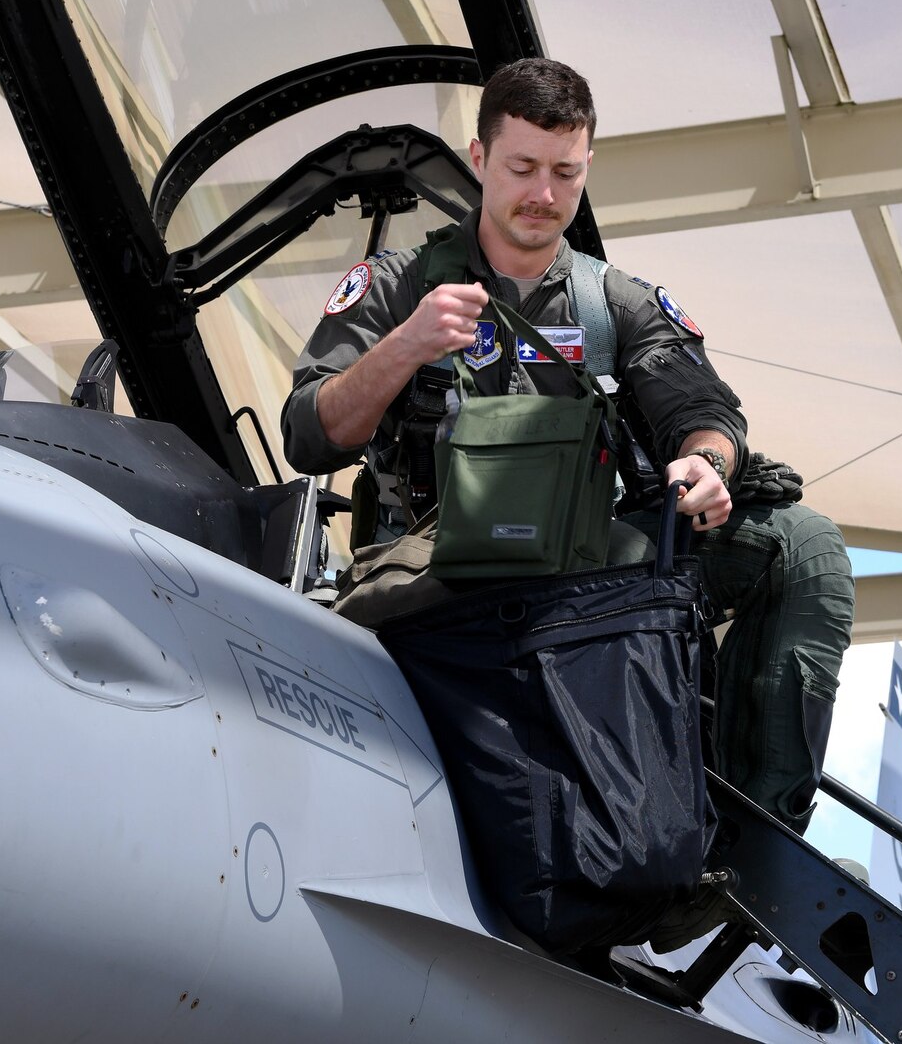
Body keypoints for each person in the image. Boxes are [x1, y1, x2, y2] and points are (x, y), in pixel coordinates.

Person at [281, 58, 854, 835]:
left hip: (583, 572)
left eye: (565, 173)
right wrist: (405, 347)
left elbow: (706, 410)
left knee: (801, 545)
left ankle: (754, 836)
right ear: (480, 159)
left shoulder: (616, 303)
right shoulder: (395, 286)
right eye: (522, 168)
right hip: (436, 577)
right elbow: (309, 435)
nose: (544, 195)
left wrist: (707, 465)